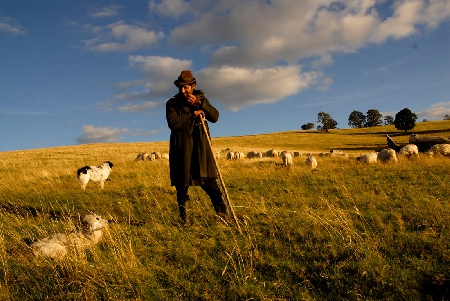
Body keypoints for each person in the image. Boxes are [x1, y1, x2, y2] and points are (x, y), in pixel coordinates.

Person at [166, 70, 228, 226]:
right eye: (180, 87)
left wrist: (201, 105)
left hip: (201, 148)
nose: (183, 90)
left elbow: (215, 117)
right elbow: (174, 124)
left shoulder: (202, 100)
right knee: (182, 185)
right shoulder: (172, 104)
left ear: (193, 85)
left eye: (186, 87)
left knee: (211, 183)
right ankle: (185, 220)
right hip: (182, 149)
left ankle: (224, 216)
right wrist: (191, 115)